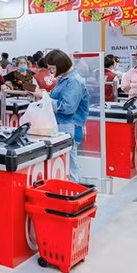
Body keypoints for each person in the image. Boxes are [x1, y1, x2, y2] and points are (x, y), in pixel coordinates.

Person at [35, 49, 89, 182]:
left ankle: (76, 191)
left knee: (70, 164)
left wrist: (45, 97)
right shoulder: (64, 79)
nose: (51, 71)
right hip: (63, 125)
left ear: (61, 65)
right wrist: (47, 95)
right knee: (66, 162)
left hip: (69, 126)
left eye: (52, 68)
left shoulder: (73, 81)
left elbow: (67, 108)